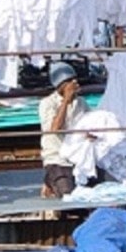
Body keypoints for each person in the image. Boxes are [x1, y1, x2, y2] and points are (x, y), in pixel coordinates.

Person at [38, 61, 82, 198]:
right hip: (57, 159)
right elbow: (55, 128)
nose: (74, 83)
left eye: (75, 80)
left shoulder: (81, 103)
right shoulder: (47, 103)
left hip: (78, 158)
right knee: (67, 194)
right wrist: (65, 102)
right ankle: (50, 180)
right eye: (69, 81)